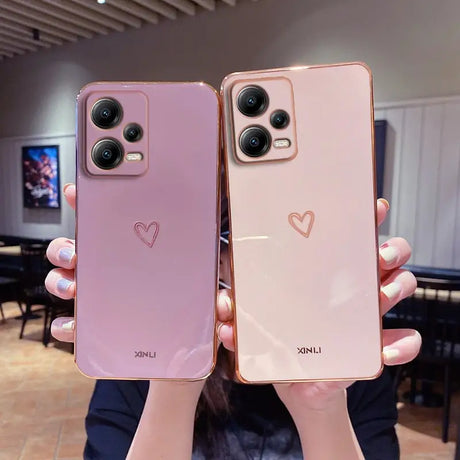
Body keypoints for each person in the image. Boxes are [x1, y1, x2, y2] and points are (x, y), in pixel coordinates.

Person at [45, 183, 420, 459]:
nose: (257, 264)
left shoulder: (347, 367)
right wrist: (175, 381)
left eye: (282, 242)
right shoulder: (135, 367)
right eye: (235, 241)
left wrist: (320, 408)